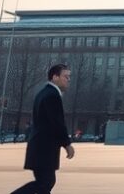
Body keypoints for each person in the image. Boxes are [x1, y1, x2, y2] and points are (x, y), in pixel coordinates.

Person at [10, 64, 75, 194]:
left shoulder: (44, 93)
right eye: (65, 76)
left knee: (45, 183)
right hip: (43, 149)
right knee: (45, 183)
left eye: (69, 77)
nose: (68, 79)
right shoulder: (52, 95)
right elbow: (56, 123)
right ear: (55, 77)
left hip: (40, 148)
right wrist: (67, 144)